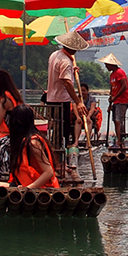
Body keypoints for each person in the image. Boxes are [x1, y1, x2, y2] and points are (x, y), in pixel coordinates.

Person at [47, 31, 88, 160]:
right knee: (61, 133)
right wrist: (78, 102)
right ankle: (57, 162)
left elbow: (61, 74)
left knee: (57, 130)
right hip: (60, 100)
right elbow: (67, 82)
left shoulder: (55, 55)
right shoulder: (65, 61)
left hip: (52, 99)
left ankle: (57, 160)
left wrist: (71, 70)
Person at [6, 104, 60, 189]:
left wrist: (28, 188)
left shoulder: (33, 143)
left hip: (41, 187)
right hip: (25, 184)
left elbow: (49, 172)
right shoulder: (24, 140)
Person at [100, 53, 128, 147]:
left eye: (107, 64)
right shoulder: (112, 75)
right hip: (116, 101)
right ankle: (119, 139)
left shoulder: (120, 72)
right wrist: (110, 104)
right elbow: (112, 90)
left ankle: (120, 141)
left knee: (119, 121)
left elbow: (124, 86)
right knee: (116, 121)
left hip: (122, 101)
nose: (106, 66)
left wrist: (115, 97)